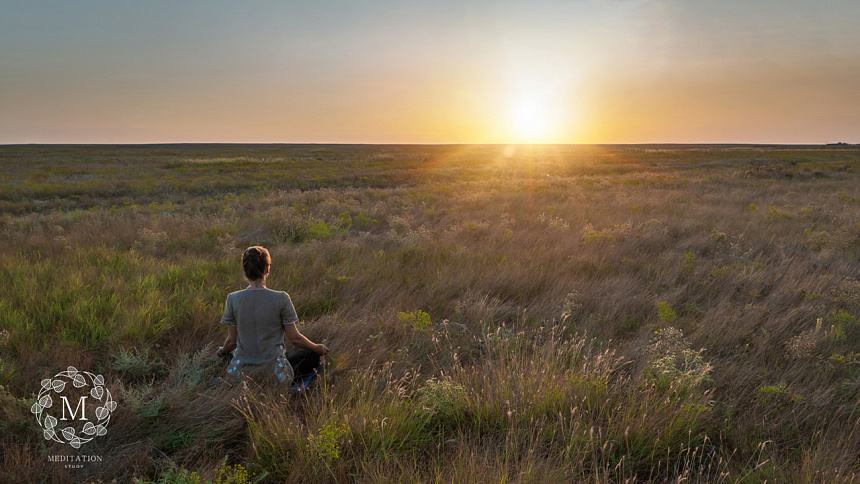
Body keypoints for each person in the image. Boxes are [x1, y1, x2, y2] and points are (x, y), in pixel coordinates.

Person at [217, 246, 328, 391]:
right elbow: (295, 339)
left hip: (240, 374)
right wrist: (317, 348)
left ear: (245, 270)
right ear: (267, 269)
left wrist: (222, 352)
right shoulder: (281, 298)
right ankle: (293, 389)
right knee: (313, 356)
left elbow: (231, 342)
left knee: (228, 356)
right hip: (275, 375)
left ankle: (236, 382)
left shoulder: (232, 299)